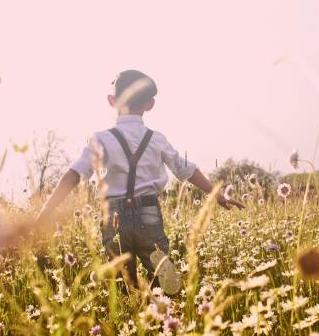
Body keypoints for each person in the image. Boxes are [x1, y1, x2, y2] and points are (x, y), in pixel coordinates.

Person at [36, 69, 243, 293]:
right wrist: (218, 195)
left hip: (113, 216)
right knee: (165, 279)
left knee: (122, 280)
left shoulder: (102, 139)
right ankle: (161, 314)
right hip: (149, 213)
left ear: (112, 101)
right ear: (150, 104)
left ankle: (133, 311)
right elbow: (187, 170)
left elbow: (74, 175)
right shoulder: (157, 139)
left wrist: (45, 211)